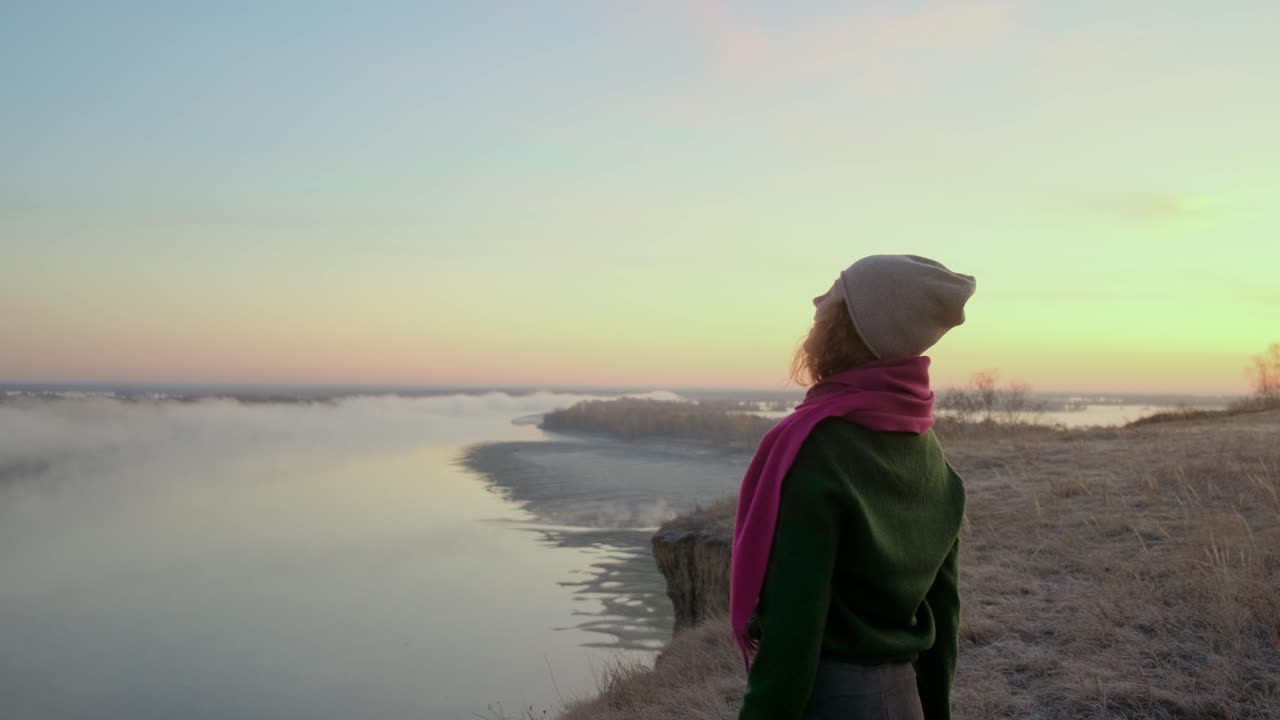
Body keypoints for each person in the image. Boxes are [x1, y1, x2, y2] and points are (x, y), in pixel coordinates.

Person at [733, 255, 975, 720]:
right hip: (906, 700)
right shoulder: (929, 452)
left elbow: (794, 631)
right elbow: (943, 614)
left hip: (830, 701)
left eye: (834, 294)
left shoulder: (817, 450)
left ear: (852, 327)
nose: (817, 301)